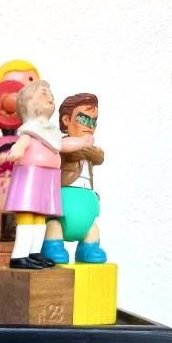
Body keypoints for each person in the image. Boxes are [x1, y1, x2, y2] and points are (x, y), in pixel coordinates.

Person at [4, 81, 93, 269]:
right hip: (30, 174)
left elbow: (62, 145)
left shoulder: (51, 132)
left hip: (49, 176)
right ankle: (19, 255)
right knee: (27, 215)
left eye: (50, 94)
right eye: (44, 93)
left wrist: (81, 143)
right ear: (27, 103)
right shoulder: (30, 130)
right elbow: (22, 142)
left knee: (40, 217)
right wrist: (17, 150)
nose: (50, 97)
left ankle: (34, 253)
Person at [41, 93, 106, 263]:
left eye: (93, 121)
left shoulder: (92, 150)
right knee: (54, 225)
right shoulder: (61, 144)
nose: (89, 125)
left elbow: (100, 157)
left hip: (86, 199)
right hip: (64, 198)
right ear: (66, 120)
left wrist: (89, 149)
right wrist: (86, 147)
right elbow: (72, 154)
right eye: (83, 119)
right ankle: (53, 245)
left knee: (92, 228)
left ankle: (89, 248)